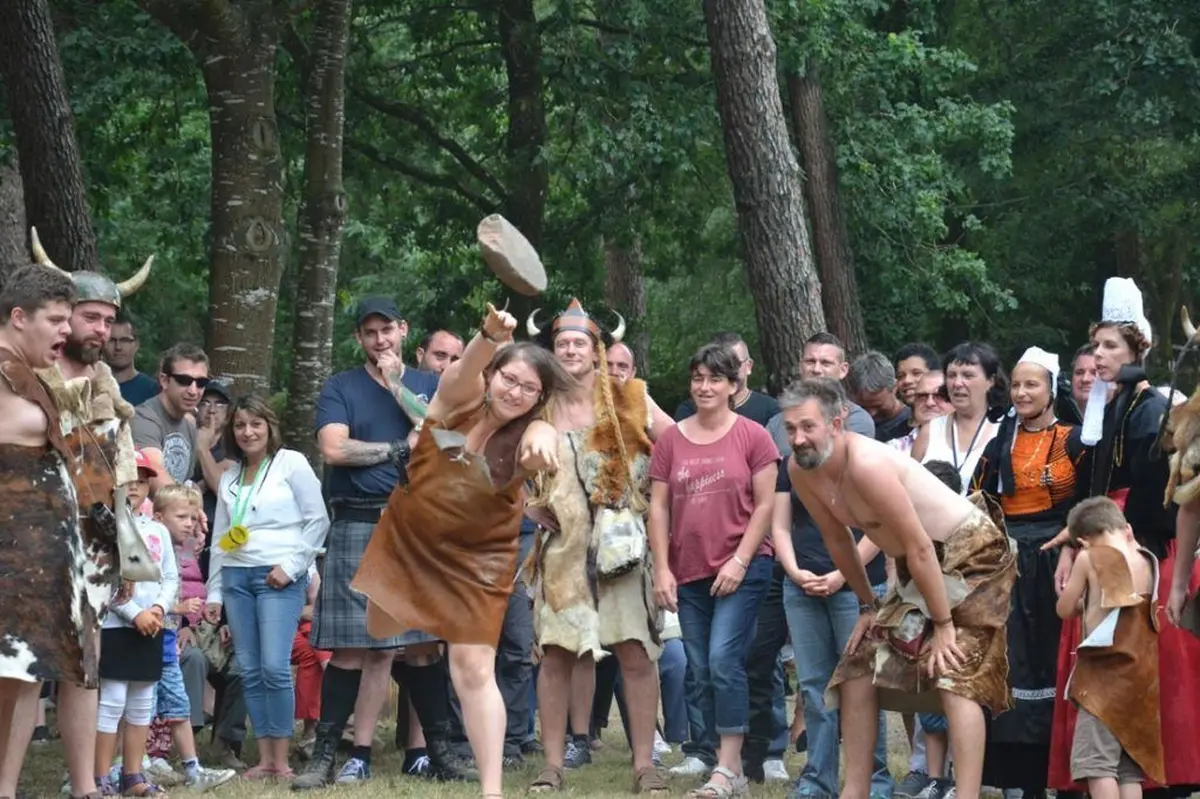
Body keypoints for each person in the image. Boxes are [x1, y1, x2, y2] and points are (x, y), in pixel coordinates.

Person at [351, 302, 567, 799]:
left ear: (540, 398)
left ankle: (491, 791)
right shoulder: (452, 400)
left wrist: (542, 436)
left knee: (471, 667)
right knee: (378, 631)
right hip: (414, 538)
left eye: (529, 388)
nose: (515, 392)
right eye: (508, 379)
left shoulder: (533, 430)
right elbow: (464, 372)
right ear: (492, 376)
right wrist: (488, 336)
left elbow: (545, 434)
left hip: (480, 557)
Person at [780, 377, 1017, 799]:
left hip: (973, 555)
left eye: (808, 427)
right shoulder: (801, 470)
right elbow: (839, 541)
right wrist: (868, 607)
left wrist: (943, 624)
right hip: (917, 563)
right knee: (856, 666)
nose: (798, 438)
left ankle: (966, 795)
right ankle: (856, 792)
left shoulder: (867, 464)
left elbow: (921, 547)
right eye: (791, 428)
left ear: (837, 423)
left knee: (954, 668)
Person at [1043, 277, 1200, 795]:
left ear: (1138, 350)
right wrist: (1075, 541)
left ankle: (1168, 776)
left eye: (1111, 346)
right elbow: (1095, 487)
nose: (1100, 355)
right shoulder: (1112, 407)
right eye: (1097, 346)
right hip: (1104, 544)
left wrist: (1116, 550)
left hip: (1138, 555)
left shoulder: (1151, 408)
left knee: (1139, 677)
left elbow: (1156, 498)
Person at [296, 295, 451, 790]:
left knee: (425, 643)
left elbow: (438, 440)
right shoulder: (340, 386)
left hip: (417, 524)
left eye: (387, 330)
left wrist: (397, 385)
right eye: (369, 332)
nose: (379, 340)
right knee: (349, 648)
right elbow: (334, 448)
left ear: (404, 329)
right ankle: (324, 757)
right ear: (359, 338)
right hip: (359, 519)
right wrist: (394, 449)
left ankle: (443, 753)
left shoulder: (431, 384)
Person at [525, 298, 674, 794]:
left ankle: (644, 765)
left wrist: (657, 501)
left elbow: (677, 446)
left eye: (579, 343)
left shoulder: (630, 398)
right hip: (562, 552)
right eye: (561, 342)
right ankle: (553, 765)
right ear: (551, 351)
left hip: (623, 552)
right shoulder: (535, 402)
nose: (569, 350)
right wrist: (523, 508)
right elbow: (498, 467)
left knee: (635, 653)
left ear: (596, 351)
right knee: (556, 656)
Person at [29, 231, 153, 799]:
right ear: (63, 317)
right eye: (90, 317)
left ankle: (85, 785)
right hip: (32, 538)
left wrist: (128, 553)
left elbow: (123, 475)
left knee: (84, 666)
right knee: (22, 669)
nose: (100, 330)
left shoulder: (109, 390)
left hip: (95, 545)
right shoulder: (30, 378)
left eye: (108, 320)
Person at [649, 344, 780, 799]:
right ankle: (723, 764)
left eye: (715, 379)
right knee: (701, 667)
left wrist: (740, 560)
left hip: (744, 568)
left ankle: (729, 768)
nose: (705, 387)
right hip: (687, 571)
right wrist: (661, 569)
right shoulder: (671, 439)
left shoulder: (754, 436)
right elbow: (659, 507)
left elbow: (766, 505)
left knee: (725, 661)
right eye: (698, 378)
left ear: (733, 385)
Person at [972, 347, 1084, 798]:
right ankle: (1018, 778)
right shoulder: (1000, 439)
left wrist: (1070, 544)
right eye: (1016, 384)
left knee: (1052, 659)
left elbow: (1083, 501)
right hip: (1011, 558)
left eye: (1031, 384)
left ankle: (1062, 772)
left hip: (1058, 556)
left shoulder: (1072, 439)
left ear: (1051, 388)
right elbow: (979, 497)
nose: (1021, 392)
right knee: (1012, 661)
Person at [204, 394, 330, 779]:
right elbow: (221, 539)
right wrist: (213, 592)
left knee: (275, 666)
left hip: (278, 577)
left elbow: (318, 520)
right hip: (237, 579)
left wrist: (292, 567)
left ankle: (283, 757)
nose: (247, 432)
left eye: (255, 423)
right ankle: (265, 760)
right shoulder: (229, 477)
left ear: (269, 426)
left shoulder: (291, 463)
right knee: (251, 668)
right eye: (240, 425)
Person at [0, 265, 77, 799]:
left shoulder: (33, 376)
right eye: (56, 319)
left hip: (34, 560)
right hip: (7, 555)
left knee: (26, 674)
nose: (65, 331)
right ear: (18, 316)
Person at [1056, 497, 1164, 799]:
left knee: (1098, 765)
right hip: (1140, 679)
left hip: (1103, 682)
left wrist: (1079, 600)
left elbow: (1065, 609)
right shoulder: (1147, 559)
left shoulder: (1090, 558)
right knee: (1128, 768)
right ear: (1126, 528)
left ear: (1082, 542)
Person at [94, 478, 179, 797]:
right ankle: (100, 777)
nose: (134, 487)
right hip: (115, 626)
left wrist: (157, 608)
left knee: (142, 703)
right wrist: (133, 612)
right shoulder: (104, 527)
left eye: (142, 481)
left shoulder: (158, 530)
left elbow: (169, 575)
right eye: (126, 480)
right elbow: (102, 579)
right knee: (112, 701)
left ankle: (132, 775)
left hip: (153, 624)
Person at [913, 342, 1008, 492]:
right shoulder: (930, 431)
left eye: (968, 375)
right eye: (951, 375)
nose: (957, 383)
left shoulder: (1005, 430)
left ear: (990, 381)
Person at [132, 343, 208, 488]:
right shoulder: (143, 418)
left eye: (201, 383)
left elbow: (186, 482)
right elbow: (155, 477)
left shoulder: (189, 426)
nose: (193, 390)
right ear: (164, 380)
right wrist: (190, 508)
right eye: (184, 381)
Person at [105, 317, 160, 406]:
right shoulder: (92, 386)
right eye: (111, 340)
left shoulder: (152, 390)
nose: (118, 347)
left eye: (125, 340)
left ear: (136, 345)